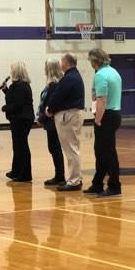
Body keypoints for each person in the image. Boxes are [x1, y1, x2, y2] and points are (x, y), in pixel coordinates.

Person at [84, 49, 123, 197]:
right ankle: (97, 183)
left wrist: (98, 119)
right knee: (100, 151)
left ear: (94, 61)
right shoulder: (114, 72)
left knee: (107, 152)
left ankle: (114, 185)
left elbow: (102, 99)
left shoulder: (100, 75)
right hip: (115, 114)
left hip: (106, 116)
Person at [46, 53, 85, 191]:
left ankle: (74, 181)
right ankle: (75, 178)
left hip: (69, 115)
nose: (60, 64)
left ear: (66, 63)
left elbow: (58, 97)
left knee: (71, 149)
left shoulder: (69, 78)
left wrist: (49, 109)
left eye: (62, 61)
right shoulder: (74, 76)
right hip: (72, 114)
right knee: (72, 148)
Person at [1, 62, 35, 182]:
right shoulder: (16, 85)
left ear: (16, 71)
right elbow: (12, 98)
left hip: (22, 119)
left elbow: (18, 104)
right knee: (18, 145)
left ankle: (25, 174)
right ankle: (16, 170)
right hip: (18, 118)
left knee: (21, 145)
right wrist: (5, 90)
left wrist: (5, 108)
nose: (10, 71)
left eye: (12, 69)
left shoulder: (21, 85)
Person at [37, 59, 66, 186]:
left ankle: (60, 176)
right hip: (49, 120)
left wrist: (42, 118)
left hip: (52, 120)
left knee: (55, 148)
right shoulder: (51, 84)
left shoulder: (54, 84)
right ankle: (58, 175)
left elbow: (52, 104)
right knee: (53, 148)